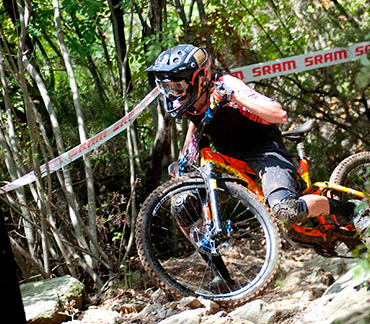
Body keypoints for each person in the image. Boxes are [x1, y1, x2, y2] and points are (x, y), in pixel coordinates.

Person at [145, 43, 358, 228]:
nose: (173, 94)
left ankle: (351, 210)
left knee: (286, 210)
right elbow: (195, 127)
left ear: (199, 79)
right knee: (182, 206)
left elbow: (279, 114)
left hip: (265, 152)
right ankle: (214, 262)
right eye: (167, 87)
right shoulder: (189, 104)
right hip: (231, 163)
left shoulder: (226, 85)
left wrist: (233, 96)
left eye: (178, 86)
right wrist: (183, 161)